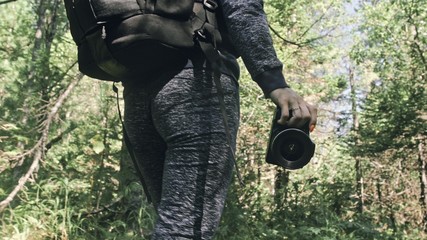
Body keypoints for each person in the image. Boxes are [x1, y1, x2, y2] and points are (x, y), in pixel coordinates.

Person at [122, 0, 317, 239]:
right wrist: (275, 83)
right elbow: (243, 9)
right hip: (197, 86)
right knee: (184, 231)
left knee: (172, 224)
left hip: (137, 94)